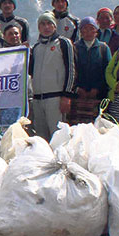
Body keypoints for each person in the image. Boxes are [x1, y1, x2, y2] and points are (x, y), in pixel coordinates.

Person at [28, 12, 76, 140]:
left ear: (55, 26)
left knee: (58, 137)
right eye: (43, 24)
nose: (46, 27)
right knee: (41, 138)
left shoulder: (64, 43)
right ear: (39, 28)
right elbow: (31, 72)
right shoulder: (36, 47)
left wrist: (66, 95)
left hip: (55, 97)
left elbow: (71, 70)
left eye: (49, 23)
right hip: (38, 99)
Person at [71, 17, 111, 125]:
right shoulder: (74, 47)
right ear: (80, 31)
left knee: (96, 125)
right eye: (85, 29)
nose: (88, 32)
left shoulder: (103, 48)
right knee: (78, 125)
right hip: (78, 94)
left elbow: (107, 71)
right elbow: (71, 70)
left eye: (91, 29)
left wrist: (97, 88)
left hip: (98, 95)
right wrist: (77, 88)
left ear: (96, 31)